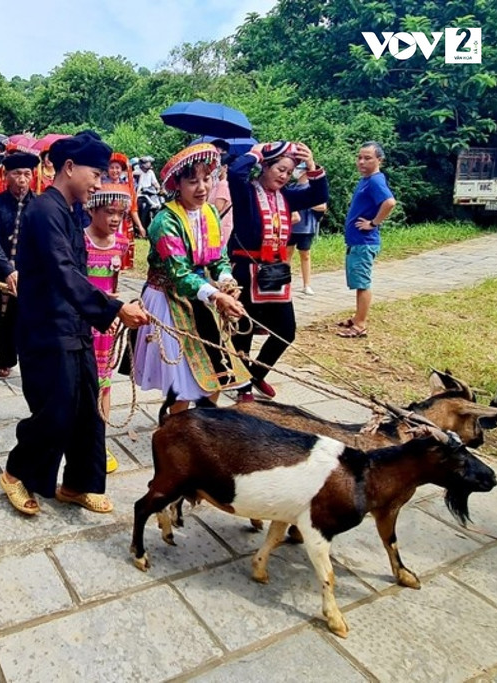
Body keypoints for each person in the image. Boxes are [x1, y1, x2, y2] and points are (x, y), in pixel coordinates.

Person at [0, 132, 148, 516]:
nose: (98, 183)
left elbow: (79, 275)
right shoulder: (44, 211)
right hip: (46, 328)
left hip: (75, 325)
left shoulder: (69, 212)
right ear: (69, 167)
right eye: (95, 174)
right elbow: (63, 272)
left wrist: (104, 311)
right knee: (57, 409)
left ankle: (78, 483)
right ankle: (16, 473)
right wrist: (114, 308)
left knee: (86, 408)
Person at [133, 143, 248, 413]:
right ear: (177, 184)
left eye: (206, 179)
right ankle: (178, 431)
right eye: (192, 181)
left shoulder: (210, 213)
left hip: (202, 296)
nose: (202, 188)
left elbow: (218, 258)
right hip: (168, 299)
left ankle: (201, 429)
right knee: (182, 384)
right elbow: (180, 274)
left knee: (217, 374)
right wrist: (216, 295)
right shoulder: (165, 221)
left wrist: (227, 281)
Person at [227, 140, 329, 402]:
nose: (284, 176)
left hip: (275, 272)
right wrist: (256, 153)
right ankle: (243, 386)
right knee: (244, 329)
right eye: (280, 169)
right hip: (246, 271)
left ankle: (256, 373)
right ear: (265, 166)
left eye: (289, 172)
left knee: (286, 330)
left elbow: (318, 196)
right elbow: (235, 172)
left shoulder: (286, 196)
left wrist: (312, 164)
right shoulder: (246, 192)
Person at [84, 184, 131, 473]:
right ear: (92, 210)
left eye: (120, 214)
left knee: (105, 381)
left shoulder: (121, 243)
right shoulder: (80, 241)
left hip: (107, 325)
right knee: (83, 381)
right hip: (83, 322)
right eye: (109, 212)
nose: (115, 219)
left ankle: (99, 439)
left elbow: (115, 283)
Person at [0, 151, 38, 378]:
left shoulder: (39, 205)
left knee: (29, 318)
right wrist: (7, 269)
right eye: (16, 174)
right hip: (2, 273)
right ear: (6, 176)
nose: (22, 179)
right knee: (3, 316)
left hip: (29, 274)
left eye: (27, 174)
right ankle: (5, 357)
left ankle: (29, 358)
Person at [338, 141, 396, 338]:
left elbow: (389, 202)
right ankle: (357, 317)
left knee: (362, 284)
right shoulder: (367, 179)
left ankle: (360, 325)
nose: (361, 162)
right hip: (357, 242)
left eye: (367, 158)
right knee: (358, 282)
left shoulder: (375, 181)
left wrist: (373, 223)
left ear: (380, 160)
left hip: (364, 242)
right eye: (359, 157)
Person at [287, 163, 327, 295]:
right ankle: (286, 283)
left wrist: (305, 203)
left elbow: (322, 206)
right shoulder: (291, 187)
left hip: (306, 227)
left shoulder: (311, 188)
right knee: (286, 255)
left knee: (305, 255)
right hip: (291, 227)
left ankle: (307, 284)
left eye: (298, 168)